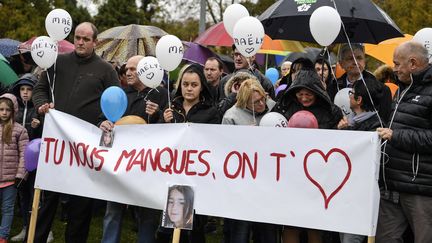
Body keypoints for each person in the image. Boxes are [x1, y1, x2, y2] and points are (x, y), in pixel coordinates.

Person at [30, 22, 120, 243]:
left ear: (95, 42)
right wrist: (41, 105)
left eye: (85, 39)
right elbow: (40, 89)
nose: (80, 42)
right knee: (46, 200)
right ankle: (37, 238)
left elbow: (115, 102)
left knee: (81, 206)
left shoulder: (106, 70)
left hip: (85, 149)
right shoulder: (57, 62)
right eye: (77, 37)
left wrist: (104, 121)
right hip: (56, 144)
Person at [99, 55, 167, 243]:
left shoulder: (161, 95)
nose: (127, 72)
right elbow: (105, 117)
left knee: (147, 214)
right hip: (119, 165)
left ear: (146, 70)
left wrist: (158, 114)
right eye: (126, 69)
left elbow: (170, 128)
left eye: (133, 69)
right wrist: (102, 122)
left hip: (148, 167)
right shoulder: (121, 94)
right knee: (113, 210)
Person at [273, 69, 343, 243]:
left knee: (314, 224)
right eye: (300, 93)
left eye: (308, 94)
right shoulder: (285, 106)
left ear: (317, 92)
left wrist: (342, 129)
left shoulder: (331, 111)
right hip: (290, 175)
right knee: (290, 224)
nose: (303, 98)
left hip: (318, 176)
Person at [375, 42, 432, 243]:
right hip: (391, 184)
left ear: (413, 63)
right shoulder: (402, 88)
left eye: (397, 64)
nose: (394, 69)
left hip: (421, 189)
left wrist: (395, 136)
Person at [159, 64, 219, 243]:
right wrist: (164, 122)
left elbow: (214, 144)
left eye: (194, 85)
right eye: (185, 84)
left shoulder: (211, 112)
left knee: (193, 232)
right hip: (171, 175)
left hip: (196, 177)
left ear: (202, 87)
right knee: (168, 229)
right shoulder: (171, 109)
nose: (189, 88)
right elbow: (159, 141)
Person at [221, 79, 279, 243]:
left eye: (263, 99)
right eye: (256, 102)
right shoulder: (231, 117)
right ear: (244, 102)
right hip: (242, 186)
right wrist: (245, 138)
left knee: (267, 234)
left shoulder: (273, 108)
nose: (262, 104)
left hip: (267, 183)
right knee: (240, 233)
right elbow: (225, 151)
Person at [337, 79, 383, 243]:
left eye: (351, 94)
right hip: (346, 196)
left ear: (359, 100)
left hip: (359, 199)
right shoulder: (357, 122)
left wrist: (347, 132)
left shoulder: (375, 127)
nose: (348, 96)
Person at [9, 74, 47, 242]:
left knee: (37, 195)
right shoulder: (14, 112)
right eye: (22, 89)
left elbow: (44, 137)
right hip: (19, 160)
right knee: (23, 194)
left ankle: (42, 229)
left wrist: (38, 128)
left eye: (29, 89)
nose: (25, 93)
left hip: (37, 160)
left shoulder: (38, 112)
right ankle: (26, 227)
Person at [327, 43, 392, 123]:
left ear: (364, 62)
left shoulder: (381, 90)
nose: (355, 62)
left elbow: (384, 122)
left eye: (359, 58)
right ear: (341, 64)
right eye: (350, 58)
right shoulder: (332, 87)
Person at [0, 93, 28, 243]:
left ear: (13, 111)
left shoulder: (20, 130)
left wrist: (20, 174)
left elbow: (24, 153)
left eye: (7, 110)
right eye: (1, 109)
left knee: (7, 209)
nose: (4, 113)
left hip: (11, 180)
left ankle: (3, 236)